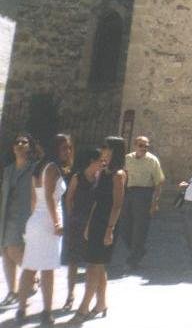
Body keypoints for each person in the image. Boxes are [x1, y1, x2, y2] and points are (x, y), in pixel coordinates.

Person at [16, 134, 72, 325]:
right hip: (48, 222)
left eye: (69, 148)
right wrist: (56, 223)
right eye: (64, 148)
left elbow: (34, 199)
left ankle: (21, 309)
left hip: (37, 220)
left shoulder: (39, 168)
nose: (68, 151)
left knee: (30, 267)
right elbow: (48, 196)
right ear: (55, 149)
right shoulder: (52, 168)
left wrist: (35, 219)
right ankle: (47, 311)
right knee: (47, 269)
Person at [72, 136, 126, 322]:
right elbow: (96, 200)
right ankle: (101, 303)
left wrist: (110, 229)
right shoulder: (103, 172)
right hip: (96, 221)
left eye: (106, 147)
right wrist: (88, 224)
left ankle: (83, 308)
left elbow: (117, 205)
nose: (102, 149)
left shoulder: (118, 174)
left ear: (114, 150)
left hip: (108, 222)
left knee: (93, 266)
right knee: (96, 264)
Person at [61, 148, 101, 312]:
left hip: (94, 224)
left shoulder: (100, 179)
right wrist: (72, 219)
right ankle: (70, 295)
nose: (103, 163)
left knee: (93, 263)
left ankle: (94, 298)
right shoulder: (78, 177)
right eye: (100, 160)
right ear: (92, 160)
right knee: (73, 261)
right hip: (77, 223)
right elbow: (69, 199)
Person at [0, 134, 37, 307]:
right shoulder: (8, 169)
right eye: (17, 142)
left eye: (24, 142)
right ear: (13, 147)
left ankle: (32, 275)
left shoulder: (33, 169)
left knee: (14, 250)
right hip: (7, 216)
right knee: (6, 253)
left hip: (25, 216)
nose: (20, 145)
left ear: (30, 147)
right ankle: (12, 291)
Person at [121, 136, 165, 269]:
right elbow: (123, 176)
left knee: (139, 229)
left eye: (146, 146)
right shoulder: (127, 158)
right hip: (128, 193)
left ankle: (133, 259)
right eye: (141, 145)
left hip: (144, 194)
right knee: (124, 226)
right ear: (135, 146)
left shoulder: (152, 160)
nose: (144, 148)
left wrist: (155, 202)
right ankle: (138, 250)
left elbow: (159, 182)